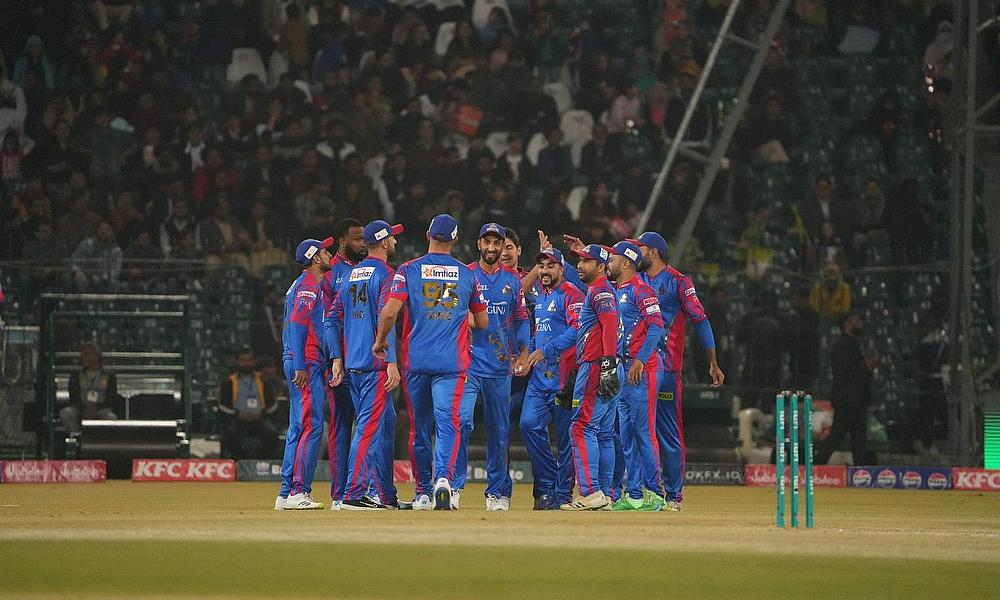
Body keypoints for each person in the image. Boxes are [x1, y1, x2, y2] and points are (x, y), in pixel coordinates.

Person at [373, 214, 489, 510]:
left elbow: (389, 312)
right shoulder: (467, 274)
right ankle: (443, 480)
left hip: (417, 362)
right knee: (448, 422)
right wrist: (460, 317)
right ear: (455, 240)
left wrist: (381, 339)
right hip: (452, 363)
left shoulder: (408, 270)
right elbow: (482, 321)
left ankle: (423, 492)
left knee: (419, 428)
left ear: (428, 235)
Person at [623, 231, 724, 512]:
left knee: (666, 432)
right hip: (634, 366)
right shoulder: (635, 280)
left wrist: (713, 362)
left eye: (640, 248)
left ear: (653, 252)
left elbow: (700, 320)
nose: (636, 254)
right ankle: (637, 492)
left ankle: (673, 496)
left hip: (666, 368)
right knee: (632, 429)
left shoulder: (678, 282)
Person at [326, 220, 403, 510]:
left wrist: (337, 358)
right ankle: (353, 493)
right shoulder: (386, 274)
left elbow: (331, 319)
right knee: (368, 430)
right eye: (392, 238)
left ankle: (381, 494)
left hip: (354, 365)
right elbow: (387, 316)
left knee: (375, 428)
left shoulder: (350, 275)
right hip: (375, 365)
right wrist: (391, 362)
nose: (395, 242)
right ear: (383, 242)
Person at [455, 223, 530, 511]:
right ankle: (453, 486)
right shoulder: (466, 274)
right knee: (461, 421)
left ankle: (497, 492)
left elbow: (521, 319)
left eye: (496, 243)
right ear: (478, 244)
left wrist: (524, 351)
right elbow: (452, 311)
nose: (491, 248)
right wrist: (466, 318)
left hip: (500, 367)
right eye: (486, 242)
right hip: (469, 364)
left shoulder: (512, 280)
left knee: (499, 432)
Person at [518, 248, 584, 510]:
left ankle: (563, 494)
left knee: (566, 440)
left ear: (561, 269)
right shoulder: (542, 297)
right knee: (528, 425)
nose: (544, 271)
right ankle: (550, 479)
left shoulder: (572, 294)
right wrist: (526, 355)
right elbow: (540, 333)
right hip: (540, 379)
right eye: (541, 266)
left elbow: (578, 330)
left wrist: (546, 350)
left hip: (565, 380)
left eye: (550, 266)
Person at [606, 241, 666, 511]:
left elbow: (656, 327)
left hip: (645, 369)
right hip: (624, 368)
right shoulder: (617, 290)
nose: (608, 263)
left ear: (626, 263)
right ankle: (633, 495)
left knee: (643, 431)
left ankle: (655, 493)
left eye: (612, 259)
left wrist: (640, 360)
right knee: (627, 435)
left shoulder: (642, 290)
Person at [275, 236, 334, 511]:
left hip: (299, 359)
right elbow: (299, 323)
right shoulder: (309, 285)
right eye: (324, 251)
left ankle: (285, 492)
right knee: (312, 425)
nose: (329, 254)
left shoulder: (302, 284)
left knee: (298, 426)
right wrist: (300, 363)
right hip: (306, 362)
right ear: (314, 258)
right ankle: (299, 491)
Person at [561, 243, 619, 511]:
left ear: (600, 266)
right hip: (605, 364)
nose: (580, 265)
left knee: (581, 427)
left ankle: (590, 492)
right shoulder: (602, 289)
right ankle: (605, 494)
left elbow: (609, 325)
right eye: (579, 260)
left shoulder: (599, 290)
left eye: (585, 261)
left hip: (596, 364)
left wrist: (606, 363)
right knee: (603, 433)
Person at [320, 218, 366, 507]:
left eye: (364, 238)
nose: (363, 243)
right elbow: (327, 321)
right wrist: (334, 357)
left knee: (368, 424)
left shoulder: (365, 269)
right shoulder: (330, 274)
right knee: (341, 424)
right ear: (342, 241)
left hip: (364, 358)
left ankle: (363, 489)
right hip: (340, 362)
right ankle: (340, 493)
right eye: (357, 239)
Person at [815, 312, 876, 466]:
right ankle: (815, 466)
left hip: (857, 400)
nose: (860, 323)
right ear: (847, 324)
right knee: (837, 438)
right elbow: (846, 372)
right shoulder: (842, 346)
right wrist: (865, 367)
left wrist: (866, 368)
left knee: (858, 443)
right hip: (847, 401)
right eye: (857, 320)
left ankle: (860, 473)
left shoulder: (854, 345)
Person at [218, 350, 279, 460]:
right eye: (243, 360)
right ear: (237, 362)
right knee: (231, 434)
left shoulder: (263, 381)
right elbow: (223, 406)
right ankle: (239, 462)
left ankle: (262, 461)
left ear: (254, 361)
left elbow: (273, 404)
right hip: (238, 419)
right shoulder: (228, 383)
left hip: (260, 418)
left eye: (249, 360)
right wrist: (238, 414)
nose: (246, 363)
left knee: (272, 434)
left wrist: (262, 413)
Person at [59, 344, 118, 433]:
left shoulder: (109, 375)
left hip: (102, 408)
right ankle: (76, 436)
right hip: (80, 408)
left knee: (111, 418)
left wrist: (96, 408)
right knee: (66, 413)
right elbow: (74, 396)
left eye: (86, 354)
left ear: (97, 356)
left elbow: (111, 397)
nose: (83, 358)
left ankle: (101, 439)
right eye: (83, 355)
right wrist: (84, 409)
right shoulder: (76, 375)